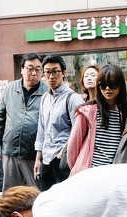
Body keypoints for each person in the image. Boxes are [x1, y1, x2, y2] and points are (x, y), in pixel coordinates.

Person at [65, 64, 127, 217]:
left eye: (112, 84)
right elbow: (73, 148)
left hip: (111, 179)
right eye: (103, 84)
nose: (107, 89)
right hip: (89, 175)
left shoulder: (125, 112)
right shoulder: (88, 110)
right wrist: (78, 173)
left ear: (121, 86)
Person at [0, 53, 48, 190]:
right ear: (22, 69)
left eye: (38, 69)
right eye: (30, 68)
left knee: (36, 194)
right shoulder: (10, 89)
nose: (34, 73)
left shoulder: (47, 92)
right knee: (11, 195)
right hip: (10, 152)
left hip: (34, 155)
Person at [33, 54, 84, 192]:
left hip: (63, 160)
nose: (51, 76)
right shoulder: (45, 98)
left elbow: (79, 132)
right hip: (47, 159)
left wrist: (63, 152)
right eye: (47, 72)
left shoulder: (73, 99)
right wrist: (38, 158)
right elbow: (42, 129)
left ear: (63, 73)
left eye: (55, 71)